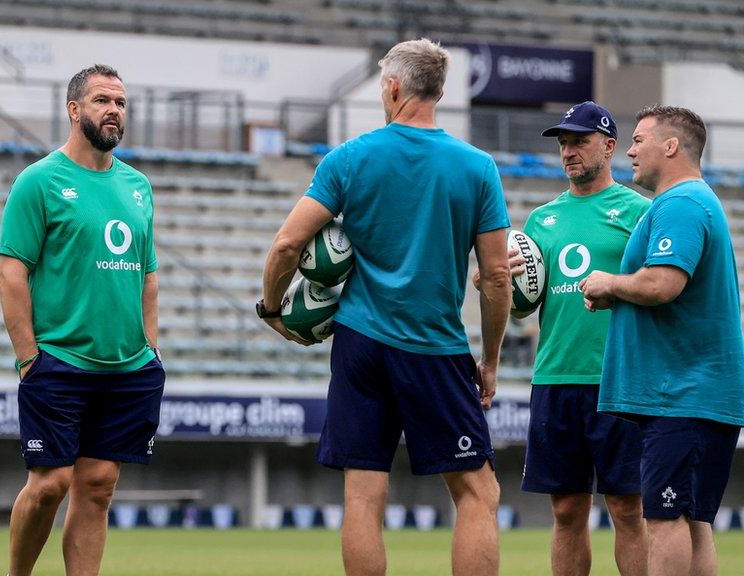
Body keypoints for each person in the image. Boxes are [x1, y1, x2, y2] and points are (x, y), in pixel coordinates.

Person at [259, 39, 511, 576]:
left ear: (393, 87)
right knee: (475, 491)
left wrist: (273, 309)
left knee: (364, 496)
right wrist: (489, 360)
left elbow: (285, 245)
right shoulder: (477, 167)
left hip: (360, 344)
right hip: (435, 346)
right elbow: (494, 277)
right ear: (438, 92)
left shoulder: (350, 157)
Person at [0, 64, 164, 576]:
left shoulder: (138, 187)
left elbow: (148, 276)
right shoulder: (39, 181)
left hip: (128, 368)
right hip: (60, 361)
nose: (113, 110)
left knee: (98, 486)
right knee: (50, 484)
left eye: (120, 101)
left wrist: (151, 351)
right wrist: (29, 358)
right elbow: (11, 274)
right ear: (74, 110)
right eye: (101, 100)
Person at [581, 105, 744, 576]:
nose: (629, 150)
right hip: (696, 395)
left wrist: (610, 283)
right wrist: (618, 297)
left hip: (682, 396)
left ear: (670, 146)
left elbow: (663, 284)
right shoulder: (691, 201)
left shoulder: (681, 203)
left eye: (638, 139)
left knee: (667, 520)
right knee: (693, 520)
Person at [510, 102, 651, 576]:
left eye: (579, 140)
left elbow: (661, 288)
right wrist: (499, 286)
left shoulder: (641, 212)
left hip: (621, 379)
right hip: (555, 376)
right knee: (566, 510)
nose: (568, 151)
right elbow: (523, 307)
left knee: (628, 508)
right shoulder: (541, 221)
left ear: (609, 146)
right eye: (563, 142)